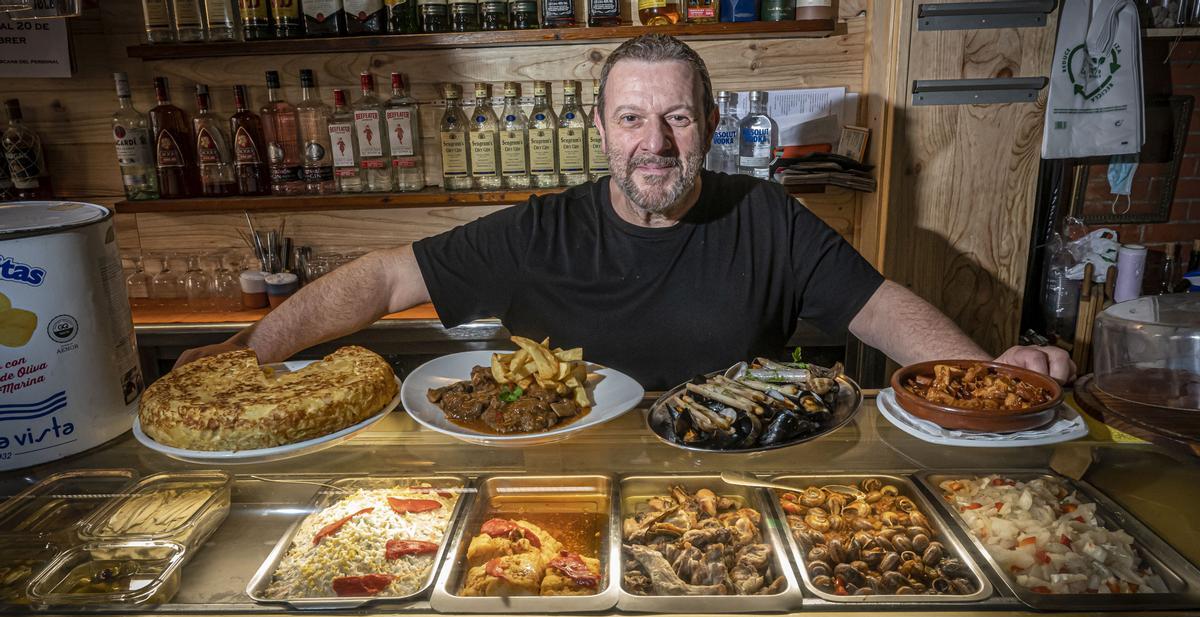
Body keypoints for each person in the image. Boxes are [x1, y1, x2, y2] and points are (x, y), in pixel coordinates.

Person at [178, 34, 1073, 388]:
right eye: (634, 118)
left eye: (678, 117)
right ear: (603, 129)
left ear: (711, 125)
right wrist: (243, 353)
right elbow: (379, 278)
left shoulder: (767, 218)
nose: (657, 142)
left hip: (731, 490)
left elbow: (887, 311)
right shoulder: (539, 229)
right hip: (560, 499)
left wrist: (991, 378)